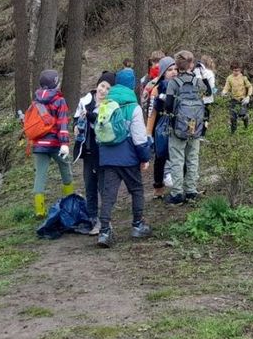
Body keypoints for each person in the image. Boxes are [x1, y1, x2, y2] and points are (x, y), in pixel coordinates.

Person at [95, 75, 152, 248]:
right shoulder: (133, 107)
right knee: (136, 189)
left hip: (107, 157)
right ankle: (137, 225)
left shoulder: (104, 104)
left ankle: (104, 231)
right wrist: (145, 157)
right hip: (128, 158)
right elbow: (139, 138)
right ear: (131, 85)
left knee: (108, 195)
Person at [73, 71, 116, 235]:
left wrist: (90, 116)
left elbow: (102, 121)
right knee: (89, 185)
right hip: (88, 149)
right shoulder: (85, 100)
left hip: (103, 151)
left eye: (107, 88)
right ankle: (93, 219)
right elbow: (77, 118)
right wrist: (76, 126)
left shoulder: (111, 104)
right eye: (102, 86)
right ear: (97, 85)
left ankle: (105, 220)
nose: (103, 90)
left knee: (103, 186)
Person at [165, 50, 208, 204]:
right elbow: (208, 96)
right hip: (195, 126)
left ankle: (177, 193)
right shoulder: (198, 82)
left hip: (178, 126)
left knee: (177, 159)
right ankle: (191, 191)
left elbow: (168, 106)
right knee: (192, 158)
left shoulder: (173, 83)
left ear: (176, 65)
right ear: (191, 64)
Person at [30, 69, 74, 218]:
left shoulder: (36, 100)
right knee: (65, 168)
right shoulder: (59, 100)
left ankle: (39, 210)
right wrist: (65, 144)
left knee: (40, 176)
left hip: (38, 144)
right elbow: (62, 124)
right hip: (55, 144)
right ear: (55, 83)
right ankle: (70, 201)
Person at [145, 55, 177, 199]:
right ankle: (158, 187)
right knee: (160, 157)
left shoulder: (180, 85)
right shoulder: (156, 89)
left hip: (177, 125)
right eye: (170, 69)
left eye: (176, 69)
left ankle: (180, 184)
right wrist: (148, 133)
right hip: (160, 128)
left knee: (177, 156)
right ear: (163, 72)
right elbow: (152, 113)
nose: (174, 72)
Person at [222, 62, 253, 134]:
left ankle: (246, 128)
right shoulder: (229, 78)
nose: (235, 72)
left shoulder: (244, 78)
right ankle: (233, 132)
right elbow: (227, 87)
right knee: (233, 117)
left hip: (242, 99)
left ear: (240, 70)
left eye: (237, 70)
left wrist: (248, 96)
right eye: (234, 70)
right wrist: (224, 92)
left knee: (243, 115)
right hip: (233, 100)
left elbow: (250, 86)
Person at [192, 56, 217, 123]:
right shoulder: (209, 73)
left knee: (194, 117)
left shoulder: (193, 72)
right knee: (205, 118)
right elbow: (212, 87)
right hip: (207, 99)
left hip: (195, 98)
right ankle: (203, 131)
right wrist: (215, 91)